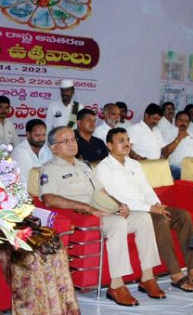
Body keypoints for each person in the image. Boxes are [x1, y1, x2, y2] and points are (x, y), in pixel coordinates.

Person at [40, 126, 164, 306]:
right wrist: (86, 207)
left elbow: (101, 190)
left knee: (143, 218)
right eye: (65, 141)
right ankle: (116, 285)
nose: (72, 144)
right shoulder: (49, 169)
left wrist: (119, 205)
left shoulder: (83, 165)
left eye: (73, 139)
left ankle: (147, 277)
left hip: (102, 212)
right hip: (81, 217)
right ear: (53, 147)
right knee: (117, 224)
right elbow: (48, 199)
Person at [96, 127, 193, 293]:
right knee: (160, 221)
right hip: (130, 212)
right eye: (121, 141)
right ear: (109, 145)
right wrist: (150, 208)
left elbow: (146, 188)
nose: (126, 143)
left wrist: (157, 205)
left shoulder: (134, 164)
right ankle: (175, 273)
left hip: (148, 206)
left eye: (127, 140)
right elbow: (116, 200)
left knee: (183, 215)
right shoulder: (104, 168)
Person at [10, 119, 52, 184]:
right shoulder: (19, 152)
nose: (41, 139)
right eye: (37, 135)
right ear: (28, 134)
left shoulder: (46, 149)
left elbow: (52, 173)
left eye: (44, 135)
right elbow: (23, 180)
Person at [167, 111, 193, 180]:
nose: (183, 123)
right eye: (181, 120)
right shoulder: (168, 133)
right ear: (175, 121)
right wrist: (179, 137)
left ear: (189, 123)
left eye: (186, 121)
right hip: (177, 168)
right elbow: (166, 152)